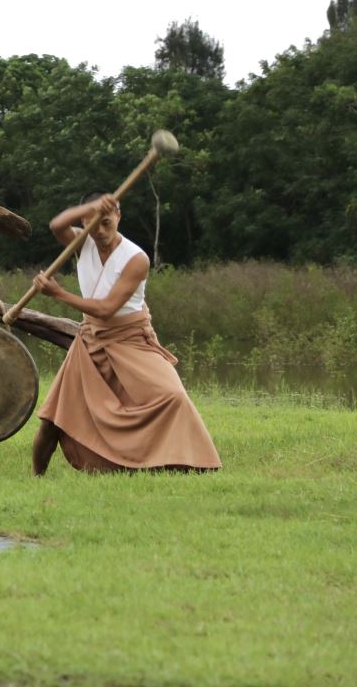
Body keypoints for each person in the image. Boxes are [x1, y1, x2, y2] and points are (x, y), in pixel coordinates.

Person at [30, 193, 222, 476]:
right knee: (52, 419)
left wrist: (58, 293)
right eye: (94, 224)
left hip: (131, 338)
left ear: (118, 217)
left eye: (107, 222)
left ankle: (196, 464)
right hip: (91, 341)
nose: (101, 231)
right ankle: (37, 478)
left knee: (173, 396)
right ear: (85, 221)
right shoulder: (83, 244)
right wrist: (90, 208)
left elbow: (106, 309)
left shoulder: (136, 258)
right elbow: (57, 225)